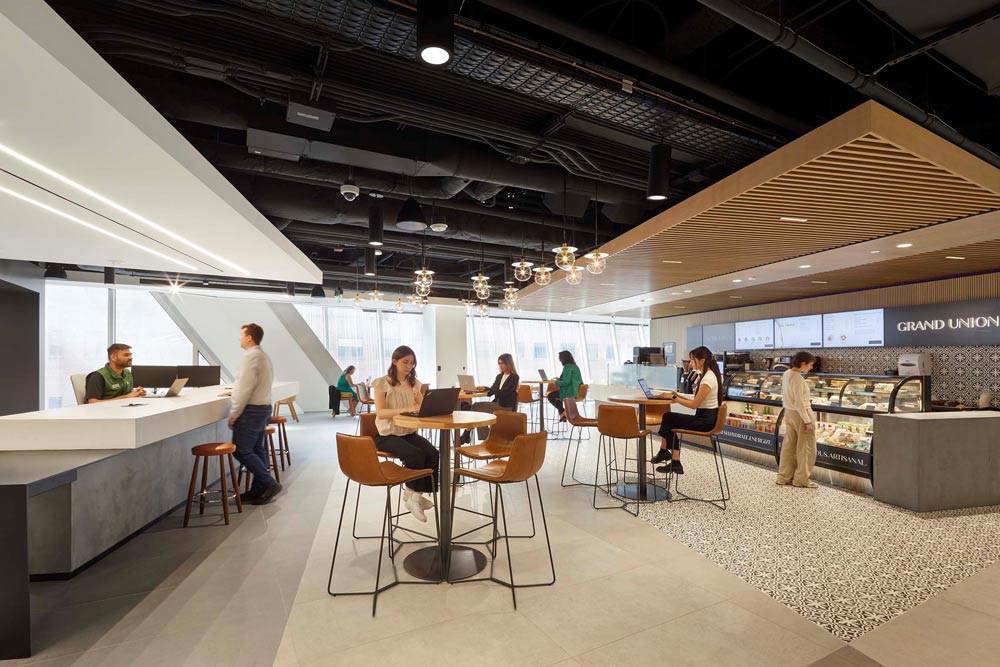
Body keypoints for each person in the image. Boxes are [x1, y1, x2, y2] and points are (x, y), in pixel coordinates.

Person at [371, 345, 438, 522]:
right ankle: (413, 495)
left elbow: (422, 407)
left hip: (408, 433)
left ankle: (414, 496)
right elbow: (381, 413)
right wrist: (407, 408)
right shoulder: (382, 383)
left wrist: (428, 405)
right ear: (394, 361)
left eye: (412, 363)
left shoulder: (414, 384)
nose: (409, 366)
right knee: (416, 455)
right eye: (405, 362)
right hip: (387, 435)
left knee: (433, 453)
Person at [224, 323, 281, 504]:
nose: (239, 338)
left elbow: (244, 387)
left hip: (251, 410)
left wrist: (234, 413)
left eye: (242, 335)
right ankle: (258, 489)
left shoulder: (250, 356)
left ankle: (269, 483)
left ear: (249, 337)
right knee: (256, 449)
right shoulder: (262, 356)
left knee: (241, 450)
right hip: (263, 408)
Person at [650, 346, 723, 475]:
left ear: (702, 360)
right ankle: (671, 459)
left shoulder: (707, 379)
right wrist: (676, 395)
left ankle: (667, 454)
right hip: (705, 418)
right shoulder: (709, 376)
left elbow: (694, 404)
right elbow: (697, 401)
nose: (691, 363)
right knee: (669, 419)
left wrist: (675, 398)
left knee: (668, 417)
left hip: (705, 422)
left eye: (693, 360)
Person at [776, 351, 818, 488]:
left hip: (789, 413)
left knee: (789, 446)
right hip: (801, 414)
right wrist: (807, 421)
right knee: (806, 448)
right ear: (803, 363)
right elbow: (799, 402)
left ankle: (783, 477)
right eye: (810, 364)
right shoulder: (798, 378)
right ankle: (801, 479)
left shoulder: (787, 374)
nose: (811, 368)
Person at [459, 353, 520, 444]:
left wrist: (490, 389)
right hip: (497, 404)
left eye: (502, 363)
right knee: (477, 411)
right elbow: (491, 393)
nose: (500, 366)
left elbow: (504, 392)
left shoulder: (514, 377)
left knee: (475, 408)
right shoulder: (499, 376)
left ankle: (470, 434)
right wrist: (484, 389)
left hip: (506, 406)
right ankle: (473, 435)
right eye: (499, 363)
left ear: (508, 364)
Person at [546, 350, 583, 422]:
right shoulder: (575, 366)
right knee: (555, 396)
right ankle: (563, 414)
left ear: (563, 359)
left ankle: (562, 412)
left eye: (560, 359)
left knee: (550, 396)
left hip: (570, 392)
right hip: (576, 390)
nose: (560, 361)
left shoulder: (567, 367)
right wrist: (559, 379)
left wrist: (555, 382)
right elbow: (569, 379)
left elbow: (566, 382)